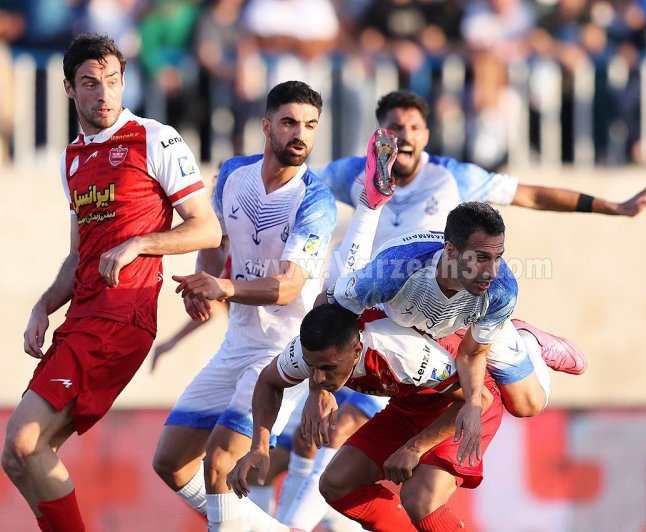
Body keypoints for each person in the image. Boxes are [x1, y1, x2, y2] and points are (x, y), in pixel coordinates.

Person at [279, 89, 646, 528]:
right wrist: (233, 208)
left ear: (427, 135)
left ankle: (524, 339)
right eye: (395, 129)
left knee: (527, 404)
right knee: (336, 450)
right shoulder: (353, 175)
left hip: (463, 319)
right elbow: (293, 188)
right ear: (380, 134)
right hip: (391, 314)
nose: (405, 137)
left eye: (415, 128)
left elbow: (529, 195)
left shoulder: (454, 179)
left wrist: (612, 207)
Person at [0, 33, 222, 532]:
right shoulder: (72, 159)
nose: (104, 94)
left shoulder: (155, 138)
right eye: (91, 84)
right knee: (20, 458)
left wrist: (141, 243)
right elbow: (80, 254)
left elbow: (206, 227)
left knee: (22, 440)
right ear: (68, 90)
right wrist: (42, 306)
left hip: (124, 315)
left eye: (113, 81)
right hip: (82, 316)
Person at [149, 80, 337, 531]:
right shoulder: (234, 174)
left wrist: (223, 287)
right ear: (266, 126)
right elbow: (215, 242)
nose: (301, 135)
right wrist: (200, 284)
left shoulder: (316, 200)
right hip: (236, 345)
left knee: (220, 464)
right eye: (290, 123)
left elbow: (290, 287)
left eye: (311, 125)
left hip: (285, 354)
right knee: (171, 463)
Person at [227, 303, 504, 532]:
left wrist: (414, 448)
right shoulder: (311, 353)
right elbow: (268, 381)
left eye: (327, 368)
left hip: (467, 404)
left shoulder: (401, 351)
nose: (318, 377)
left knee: (420, 499)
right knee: (336, 483)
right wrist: (259, 447)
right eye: (312, 368)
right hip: (411, 405)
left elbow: (476, 401)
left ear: (357, 351)